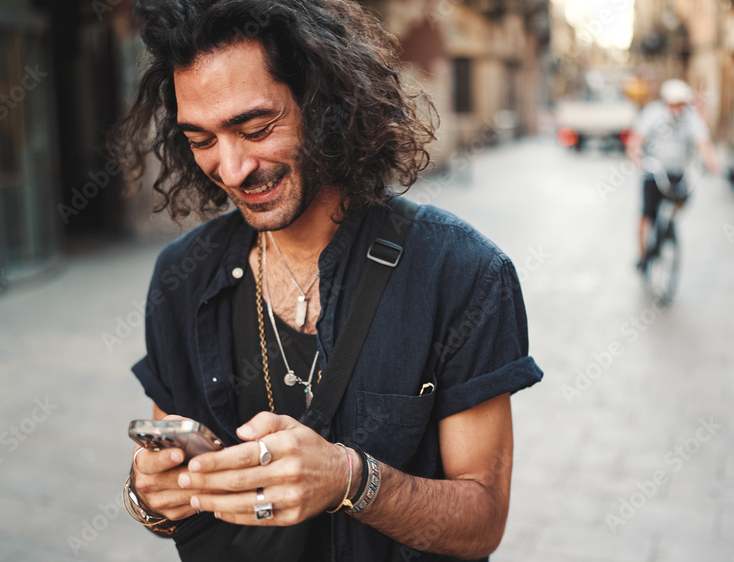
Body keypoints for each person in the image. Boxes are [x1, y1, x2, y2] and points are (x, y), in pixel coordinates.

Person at [110, 1, 542, 560]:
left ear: (323, 104)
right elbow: (170, 494)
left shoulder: (460, 273)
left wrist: (349, 480)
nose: (233, 169)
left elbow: (481, 522)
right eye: (201, 140)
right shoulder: (181, 277)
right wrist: (151, 494)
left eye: (256, 128)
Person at [627, 79, 719, 270]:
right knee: (646, 213)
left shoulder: (690, 118)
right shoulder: (653, 113)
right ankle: (643, 255)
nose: (678, 108)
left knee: (684, 197)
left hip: (678, 172)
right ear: (666, 102)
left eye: (681, 104)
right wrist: (635, 154)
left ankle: (668, 222)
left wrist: (712, 164)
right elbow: (637, 140)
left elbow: (703, 143)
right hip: (655, 171)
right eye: (674, 104)